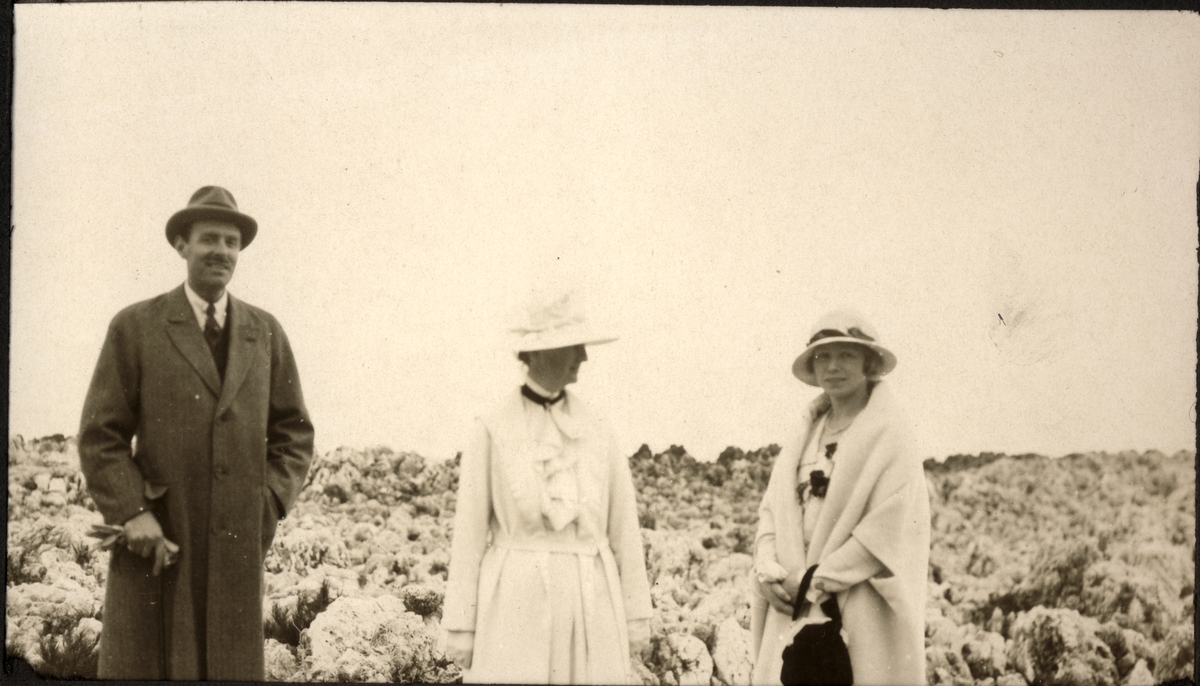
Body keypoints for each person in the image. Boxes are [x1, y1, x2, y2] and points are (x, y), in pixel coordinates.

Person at [78, 186, 315, 680]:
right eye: (209, 239)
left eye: (231, 242)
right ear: (181, 245)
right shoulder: (136, 326)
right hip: (160, 537)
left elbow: (294, 432)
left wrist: (268, 503)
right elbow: (102, 435)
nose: (222, 252)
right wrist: (132, 512)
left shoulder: (265, 332)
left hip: (236, 541)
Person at [443, 291, 653, 684]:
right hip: (515, 607)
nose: (583, 357)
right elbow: (468, 535)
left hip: (591, 601)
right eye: (573, 346)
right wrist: (461, 625)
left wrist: (636, 613)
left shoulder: (599, 428)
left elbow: (625, 528)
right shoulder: (492, 427)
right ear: (537, 352)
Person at [750, 309, 930, 685]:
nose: (833, 366)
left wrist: (813, 582)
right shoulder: (804, 433)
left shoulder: (892, 435)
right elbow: (772, 511)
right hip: (792, 603)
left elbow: (885, 531)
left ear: (868, 363)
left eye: (847, 355)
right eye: (824, 356)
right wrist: (768, 568)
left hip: (856, 606)